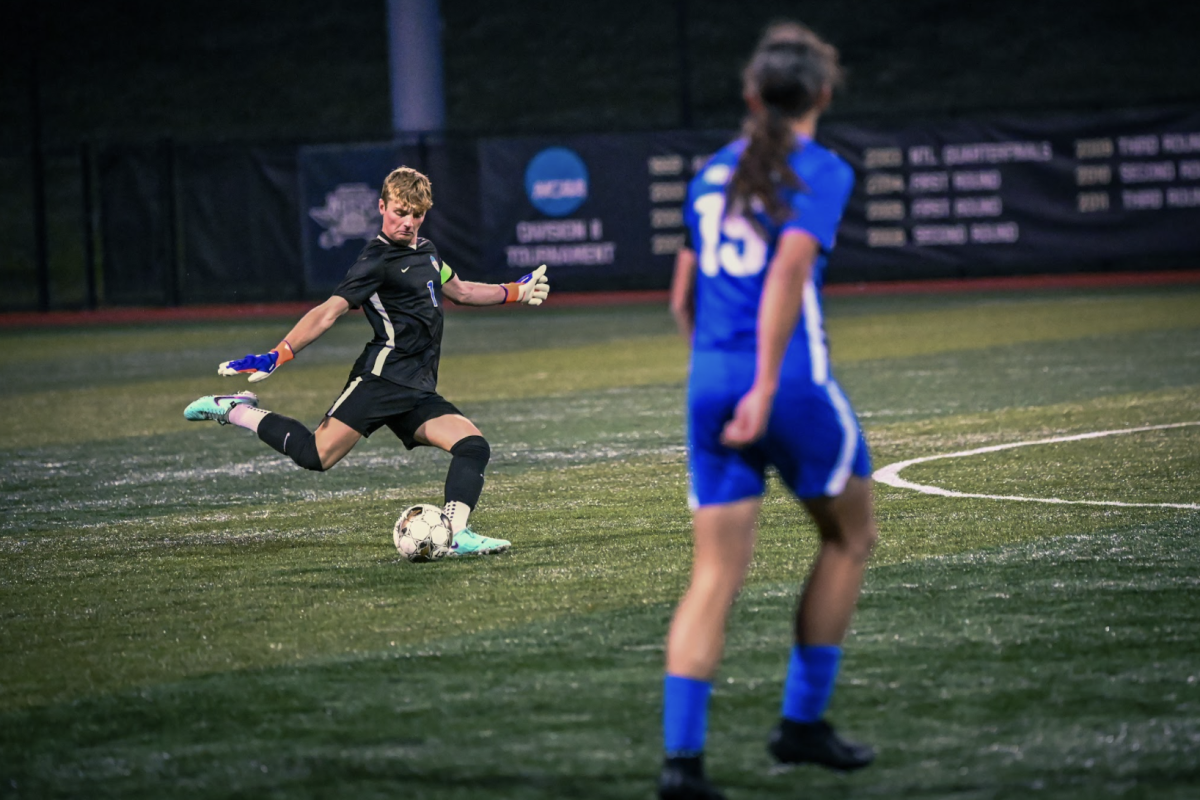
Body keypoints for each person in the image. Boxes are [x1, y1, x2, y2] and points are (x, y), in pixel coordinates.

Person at [658, 22, 879, 800]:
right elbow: (787, 272)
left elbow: (682, 296)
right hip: (783, 384)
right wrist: (761, 386)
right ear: (822, 93)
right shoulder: (819, 169)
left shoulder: (711, 174)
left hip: (708, 383)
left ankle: (681, 766)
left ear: (752, 94)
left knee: (712, 576)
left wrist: (721, 379)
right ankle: (801, 725)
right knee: (850, 537)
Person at [184, 166, 549, 556]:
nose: (407, 222)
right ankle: (235, 409)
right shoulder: (375, 260)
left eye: (416, 214)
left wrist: (514, 291)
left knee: (473, 446)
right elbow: (329, 311)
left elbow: (461, 291)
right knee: (314, 456)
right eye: (399, 212)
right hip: (380, 381)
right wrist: (280, 353)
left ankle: (456, 533)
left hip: (417, 388)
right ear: (381, 206)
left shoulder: (426, 252)